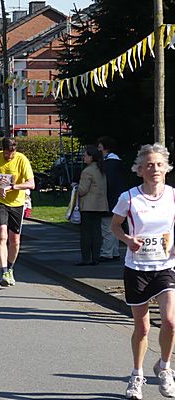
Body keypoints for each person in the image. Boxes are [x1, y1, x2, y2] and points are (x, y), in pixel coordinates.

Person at [111, 143, 175, 400]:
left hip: (165, 266)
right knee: (143, 328)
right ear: (140, 169)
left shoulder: (172, 196)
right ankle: (136, 375)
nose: (155, 169)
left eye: (159, 164)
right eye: (149, 165)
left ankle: (165, 368)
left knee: (170, 321)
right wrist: (128, 240)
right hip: (137, 268)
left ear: (166, 168)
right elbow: (115, 226)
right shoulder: (129, 198)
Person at [0, 137, 35, 287]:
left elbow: (31, 183)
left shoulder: (22, 159)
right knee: (2, 234)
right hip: (0, 201)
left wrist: (13, 187)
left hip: (17, 203)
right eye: (6, 153)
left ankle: (10, 269)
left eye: (12, 153)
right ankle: (4, 271)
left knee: (15, 240)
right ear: (3, 150)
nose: (9, 156)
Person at [74, 145, 108, 266]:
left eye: (85, 155)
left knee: (86, 234)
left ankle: (86, 258)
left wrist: (75, 188)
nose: (84, 157)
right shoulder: (100, 169)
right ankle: (96, 257)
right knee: (97, 232)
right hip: (100, 205)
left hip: (88, 206)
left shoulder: (87, 171)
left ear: (91, 157)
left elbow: (82, 190)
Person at [97, 136, 127, 262]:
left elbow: (107, 184)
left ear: (105, 148)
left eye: (99, 147)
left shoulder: (108, 164)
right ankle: (114, 251)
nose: (98, 150)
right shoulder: (117, 162)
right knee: (113, 226)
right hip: (117, 198)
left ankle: (107, 253)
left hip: (109, 199)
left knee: (107, 227)